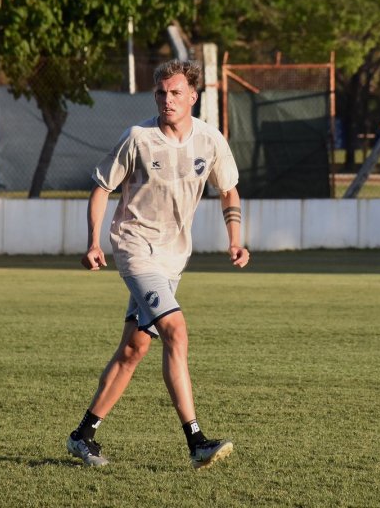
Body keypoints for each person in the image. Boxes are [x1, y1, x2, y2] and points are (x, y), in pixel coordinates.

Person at [66, 58, 249, 469]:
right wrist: (93, 242)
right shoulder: (138, 138)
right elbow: (101, 187)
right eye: (162, 93)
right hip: (134, 248)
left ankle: (82, 436)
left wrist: (236, 240)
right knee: (176, 331)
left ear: (193, 97)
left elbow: (230, 191)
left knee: (135, 348)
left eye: (176, 93)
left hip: (172, 259)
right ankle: (197, 441)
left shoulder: (210, 140)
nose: (167, 100)